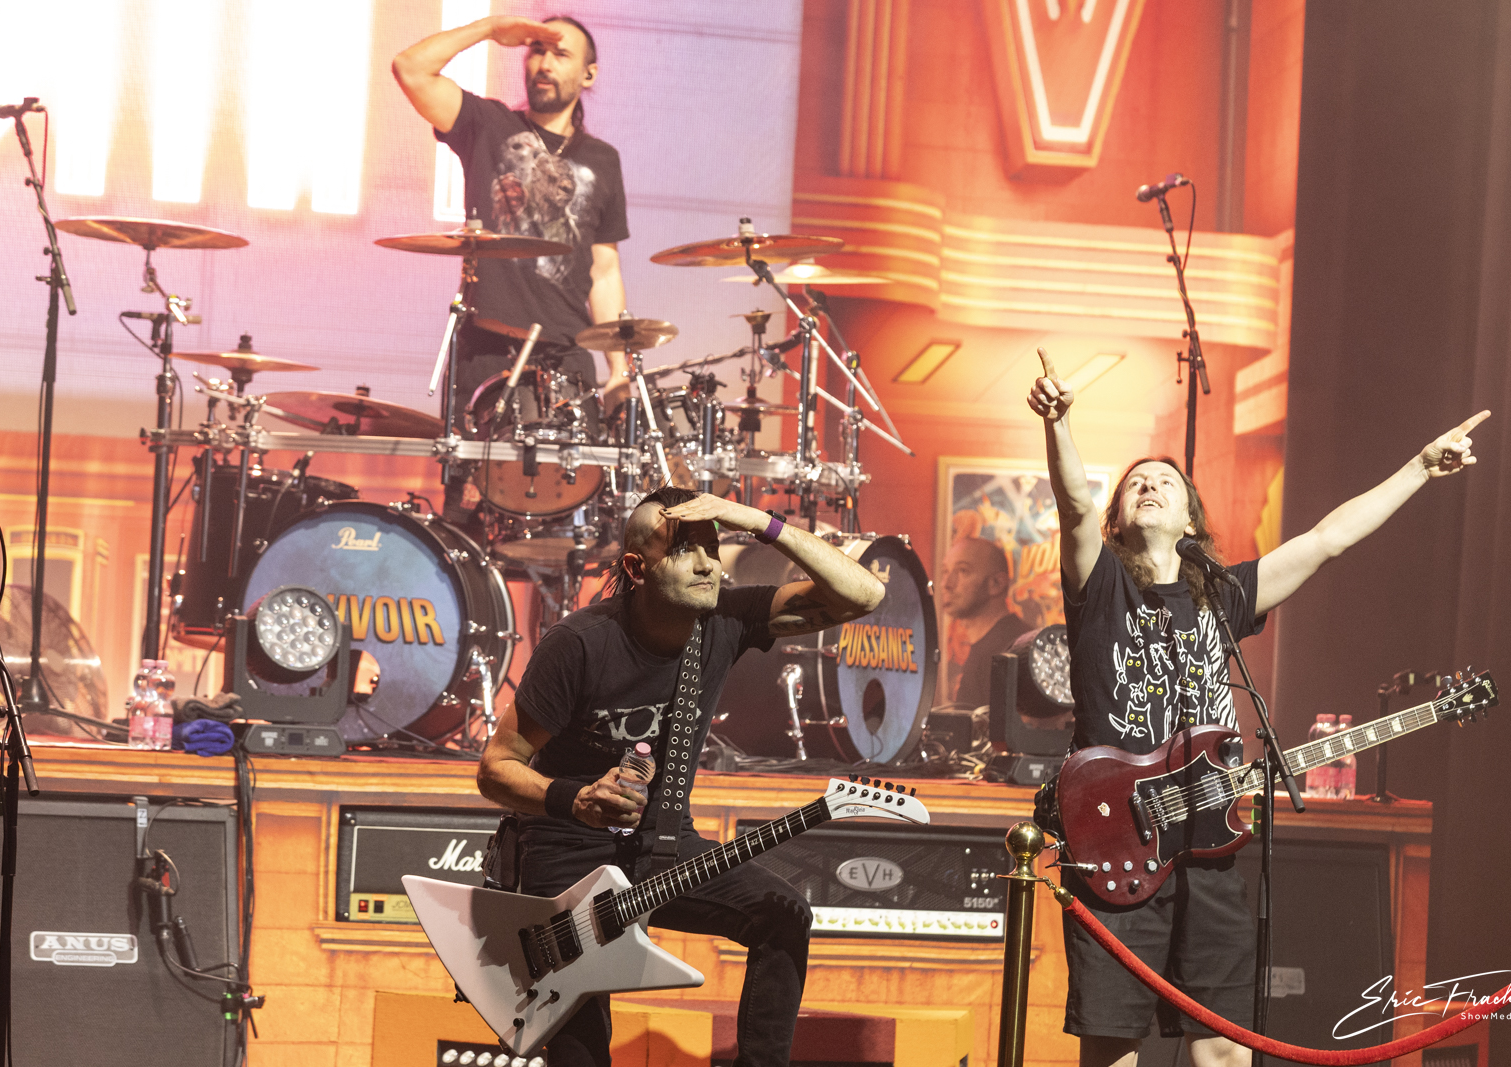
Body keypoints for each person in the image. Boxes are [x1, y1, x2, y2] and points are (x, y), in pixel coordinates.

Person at [1026, 348, 1487, 1067]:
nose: (1149, 485)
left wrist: (1419, 470)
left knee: (1225, 1051)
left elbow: (1327, 539)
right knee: (1113, 1051)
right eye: (1135, 483)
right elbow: (1075, 506)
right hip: (1117, 842)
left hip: (1209, 851)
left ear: (1190, 516)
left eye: (1165, 481)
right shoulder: (1101, 584)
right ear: (1118, 517)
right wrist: (1058, 425)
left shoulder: (1223, 593)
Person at [476, 486, 885, 1067]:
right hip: (568, 858)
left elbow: (866, 594)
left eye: (712, 549)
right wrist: (577, 798)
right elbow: (496, 769)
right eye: (683, 550)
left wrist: (756, 521)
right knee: (580, 1053)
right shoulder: (579, 644)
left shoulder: (724, 621)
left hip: (661, 845)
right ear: (636, 568)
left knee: (784, 914)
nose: (706, 565)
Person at [392, 15, 630, 522]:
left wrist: (619, 370)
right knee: (470, 521)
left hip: (567, 359)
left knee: (568, 525)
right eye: (536, 50)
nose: (544, 63)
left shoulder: (603, 160)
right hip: (487, 353)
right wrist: (488, 28)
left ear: (589, 73)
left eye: (560, 54)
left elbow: (604, 269)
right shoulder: (488, 123)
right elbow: (410, 68)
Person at [940, 536, 1032, 708]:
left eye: (962, 571)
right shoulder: (987, 647)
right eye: (945, 571)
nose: (947, 584)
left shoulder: (1015, 651)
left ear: (997, 584)